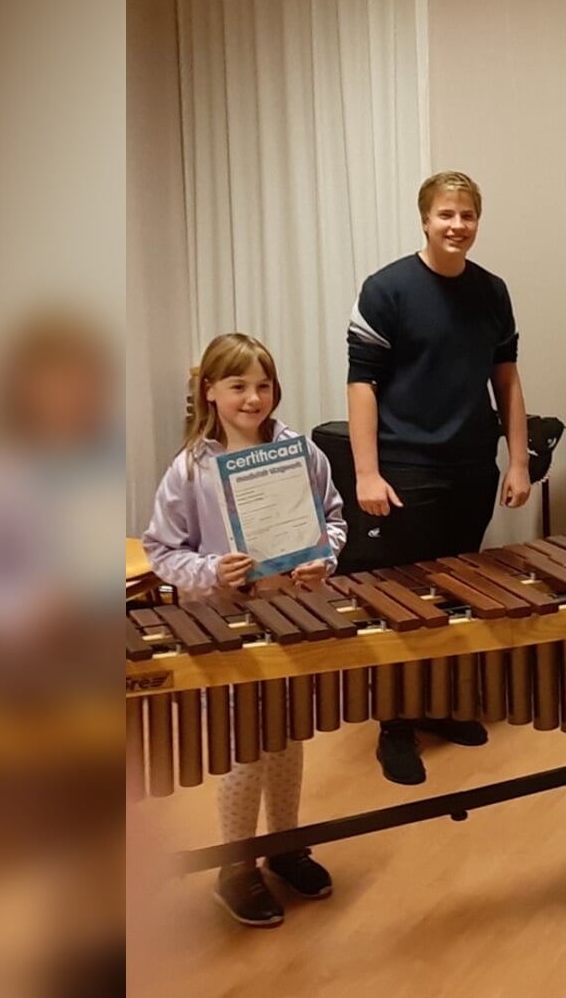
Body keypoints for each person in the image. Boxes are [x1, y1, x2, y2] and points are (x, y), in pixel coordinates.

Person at [142, 333, 348, 927]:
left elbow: (332, 520)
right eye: (237, 386)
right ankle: (236, 867)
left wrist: (322, 559)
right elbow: (161, 549)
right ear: (210, 391)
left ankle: (284, 845)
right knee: (244, 748)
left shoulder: (302, 454)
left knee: (287, 736)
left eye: (262, 385)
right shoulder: (188, 469)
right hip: (225, 622)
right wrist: (211, 570)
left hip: (293, 615)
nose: (252, 398)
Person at [345, 170, 531, 785]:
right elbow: (361, 385)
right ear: (425, 219)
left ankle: (432, 705)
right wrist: (366, 472)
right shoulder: (385, 289)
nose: (457, 226)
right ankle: (394, 723)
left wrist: (520, 458)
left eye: (467, 216)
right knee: (401, 601)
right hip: (403, 470)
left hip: (471, 467)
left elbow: (505, 379)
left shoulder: (493, 292)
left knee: (451, 597)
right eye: (446, 215)